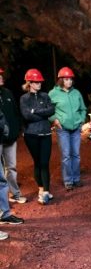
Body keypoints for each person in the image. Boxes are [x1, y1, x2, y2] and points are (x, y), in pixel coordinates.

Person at [20, 69, 55, 205]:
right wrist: (42, 113)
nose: (39, 83)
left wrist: (36, 111)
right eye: (36, 82)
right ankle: (41, 189)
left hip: (45, 133)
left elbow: (51, 110)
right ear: (29, 83)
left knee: (45, 163)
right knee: (38, 162)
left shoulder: (45, 96)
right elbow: (27, 115)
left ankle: (46, 192)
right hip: (31, 135)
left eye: (40, 81)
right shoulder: (24, 98)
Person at [49, 67, 87, 190]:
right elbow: (48, 110)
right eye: (66, 79)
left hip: (76, 128)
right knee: (66, 155)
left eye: (70, 79)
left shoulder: (76, 93)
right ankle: (68, 181)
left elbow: (83, 109)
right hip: (62, 128)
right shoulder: (53, 93)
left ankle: (76, 179)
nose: (69, 82)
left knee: (76, 154)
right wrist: (54, 119)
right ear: (60, 80)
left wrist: (81, 120)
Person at [0, 68, 26, 203]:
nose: (1, 77)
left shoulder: (7, 93)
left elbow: (15, 113)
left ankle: (15, 194)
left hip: (10, 138)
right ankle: (2, 200)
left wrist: (17, 129)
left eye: (1, 75)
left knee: (11, 167)